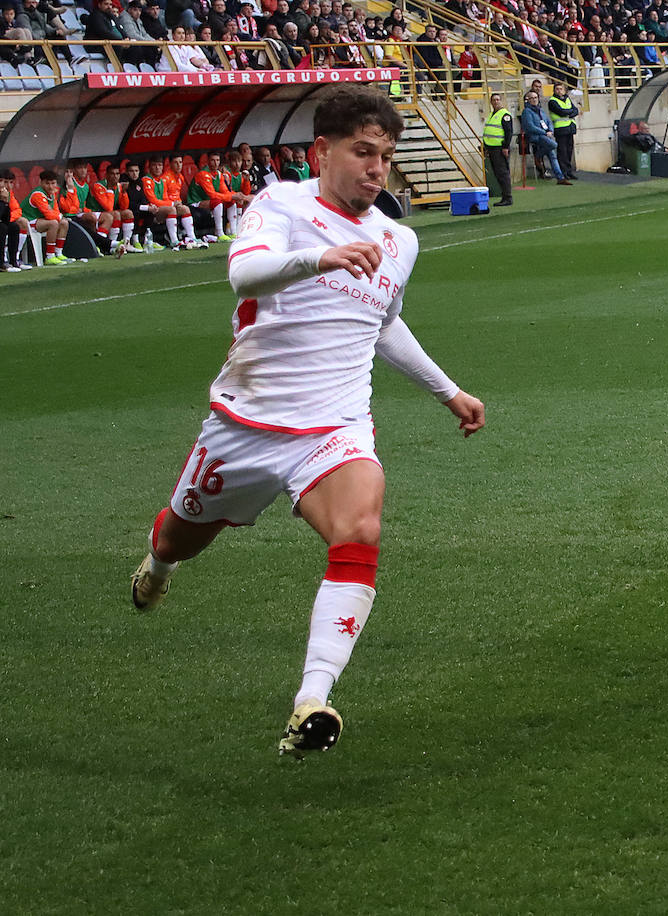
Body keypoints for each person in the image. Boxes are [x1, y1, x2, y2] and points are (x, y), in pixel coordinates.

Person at [128, 84, 487, 758]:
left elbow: (382, 324)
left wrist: (448, 391)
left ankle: (312, 700)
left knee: (361, 527)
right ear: (323, 151)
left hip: (335, 426)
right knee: (180, 539)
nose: (376, 169)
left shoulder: (398, 240)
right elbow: (245, 275)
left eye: (384, 156)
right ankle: (156, 569)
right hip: (247, 424)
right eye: (362, 153)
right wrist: (316, 257)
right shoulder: (280, 205)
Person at [20, 170, 73, 265]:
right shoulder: (38, 194)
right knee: (53, 223)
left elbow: (55, 211)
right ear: (41, 183)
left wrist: (58, 216)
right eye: (47, 183)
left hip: (39, 220)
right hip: (27, 221)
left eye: (53, 183)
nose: (50, 186)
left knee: (64, 222)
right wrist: (58, 215)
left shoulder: (52, 193)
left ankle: (59, 253)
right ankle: (50, 256)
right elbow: (49, 215)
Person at [521, 89, 573, 184]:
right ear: (528, 100)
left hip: (545, 136)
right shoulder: (527, 112)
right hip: (535, 136)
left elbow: (548, 121)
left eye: (535, 97)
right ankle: (538, 156)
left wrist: (550, 130)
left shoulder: (540, 110)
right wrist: (544, 132)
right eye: (531, 98)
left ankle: (560, 178)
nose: (534, 100)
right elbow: (530, 126)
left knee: (552, 155)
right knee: (554, 145)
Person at [483, 92, 514, 206]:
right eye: (494, 100)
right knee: (497, 173)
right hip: (491, 148)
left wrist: (505, 147)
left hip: (499, 148)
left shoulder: (505, 115)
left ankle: (508, 197)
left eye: (498, 100)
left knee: (502, 173)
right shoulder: (492, 115)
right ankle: (504, 196)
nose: (496, 102)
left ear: (501, 101)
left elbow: (508, 132)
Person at [547, 81, 579, 180]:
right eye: (557, 89)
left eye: (561, 89)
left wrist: (569, 113)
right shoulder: (552, 101)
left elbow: (576, 110)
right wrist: (570, 112)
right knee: (562, 152)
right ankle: (563, 172)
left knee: (569, 151)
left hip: (570, 128)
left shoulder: (567, 99)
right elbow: (561, 112)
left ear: (564, 90)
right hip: (560, 129)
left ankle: (569, 171)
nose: (559, 91)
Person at [0, 171, 30, 271]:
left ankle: (14, 259)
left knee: (15, 226)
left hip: (4, 220)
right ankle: (2, 261)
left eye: (11, 182)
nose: (7, 186)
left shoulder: (8, 194)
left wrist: (5, 202)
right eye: (4, 182)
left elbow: (16, 210)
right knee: (3, 227)